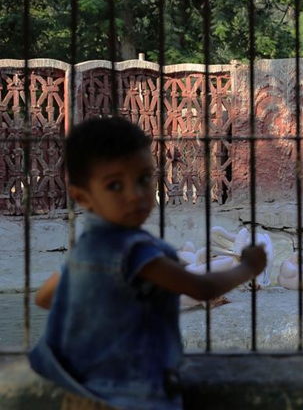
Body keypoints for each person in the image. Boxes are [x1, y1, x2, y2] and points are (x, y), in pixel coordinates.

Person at [29, 117, 267, 410]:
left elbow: (44, 298)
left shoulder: (86, 249)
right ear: (82, 196)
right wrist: (248, 268)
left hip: (82, 393)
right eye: (115, 185)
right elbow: (203, 288)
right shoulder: (137, 253)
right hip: (135, 396)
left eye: (143, 179)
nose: (136, 195)